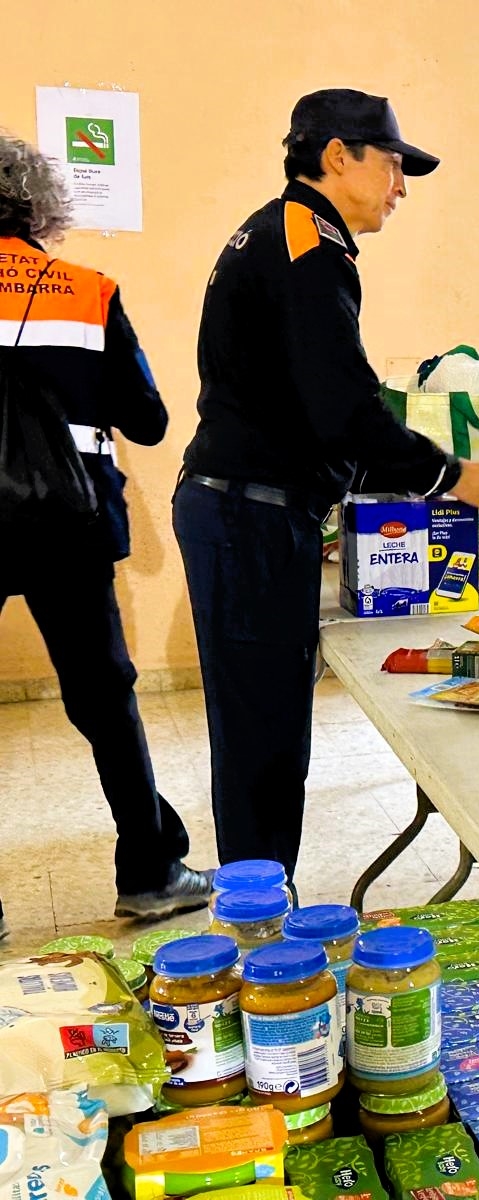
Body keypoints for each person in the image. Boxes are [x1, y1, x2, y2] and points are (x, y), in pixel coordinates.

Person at [173, 91, 479, 880]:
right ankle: (261, 919)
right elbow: (344, 409)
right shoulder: (308, 248)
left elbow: (305, 404)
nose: (401, 187)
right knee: (263, 746)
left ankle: (262, 901)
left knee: (261, 739)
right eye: (392, 165)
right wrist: (453, 475)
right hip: (248, 517)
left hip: (246, 509)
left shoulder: (280, 231)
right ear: (338, 156)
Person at [0, 133, 211, 932]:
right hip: (70, 524)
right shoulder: (87, 292)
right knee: (104, 698)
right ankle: (151, 872)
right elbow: (148, 420)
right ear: (41, 206)